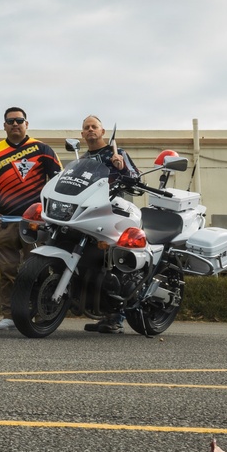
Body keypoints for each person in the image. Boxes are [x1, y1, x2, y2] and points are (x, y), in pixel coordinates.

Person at [0, 107, 61, 331]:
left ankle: (40, 314)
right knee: (7, 271)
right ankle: (9, 315)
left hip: (37, 222)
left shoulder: (43, 149)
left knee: (39, 270)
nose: (15, 124)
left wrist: (54, 213)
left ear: (26, 124)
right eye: (10, 121)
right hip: (3, 221)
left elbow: (60, 181)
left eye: (19, 120)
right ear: (4, 126)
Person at [80, 115, 140, 335]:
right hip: (87, 214)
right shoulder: (83, 158)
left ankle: (116, 318)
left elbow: (136, 179)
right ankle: (101, 312)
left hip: (112, 212)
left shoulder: (117, 152)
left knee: (112, 263)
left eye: (94, 126)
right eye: (86, 127)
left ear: (102, 131)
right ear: (82, 134)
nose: (90, 130)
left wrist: (122, 168)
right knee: (90, 262)